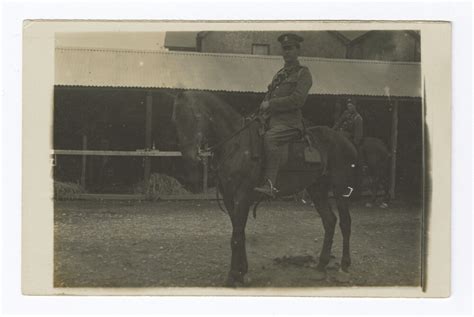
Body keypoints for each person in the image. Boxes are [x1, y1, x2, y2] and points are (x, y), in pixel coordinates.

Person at [254, 33, 313, 197]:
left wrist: (271, 104)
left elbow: (297, 100)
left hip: (290, 124)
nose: (287, 52)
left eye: (290, 48)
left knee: (270, 138)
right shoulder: (279, 74)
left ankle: (270, 185)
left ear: (298, 50)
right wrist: (261, 110)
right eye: (284, 49)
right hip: (271, 122)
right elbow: (270, 95)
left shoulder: (303, 74)